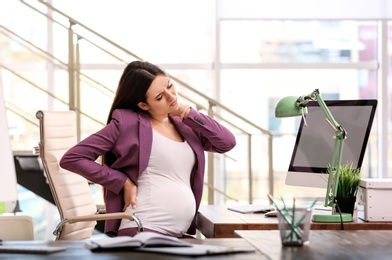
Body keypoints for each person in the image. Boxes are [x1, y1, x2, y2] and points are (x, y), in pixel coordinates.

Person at [60, 60, 236, 238]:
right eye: (159, 97)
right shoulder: (126, 124)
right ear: (143, 105)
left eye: (169, 86)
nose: (171, 96)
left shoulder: (186, 126)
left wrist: (188, 113)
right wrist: (122, 182)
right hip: (144, 229)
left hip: (177, 235)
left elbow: (227, 142)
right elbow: (72, 158)